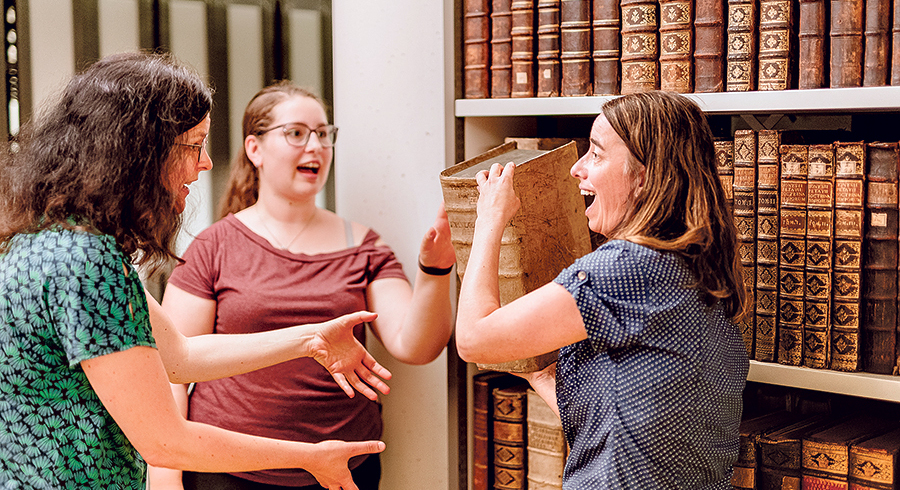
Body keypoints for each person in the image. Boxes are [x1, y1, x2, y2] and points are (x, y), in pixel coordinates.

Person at [0, 52, 393, 490]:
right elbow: (166, 441)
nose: (205, 163)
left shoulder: (57, 239)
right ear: (140, 153)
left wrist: (310, 339)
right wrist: (310, 458)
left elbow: (179, 356)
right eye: (194, 144)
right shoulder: (84, 263)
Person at [149, 81, 456, 490]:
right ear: (254, 149)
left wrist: (435, 271)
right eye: (296, 133)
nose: (315, 147)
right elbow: (173, 371)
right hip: (227, 471)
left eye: (324, 134)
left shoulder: (363, 246)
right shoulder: (213, 246)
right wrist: (167, 480)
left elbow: (416, 347)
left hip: (344, 471)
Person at [455, 91, 749, 488]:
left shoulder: (628, 268)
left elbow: (473, 340)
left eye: (595, 154)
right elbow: (627, 429)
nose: (577, 168)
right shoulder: (701, 271)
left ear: (643, 176)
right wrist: (544, 380)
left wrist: (490, 219)